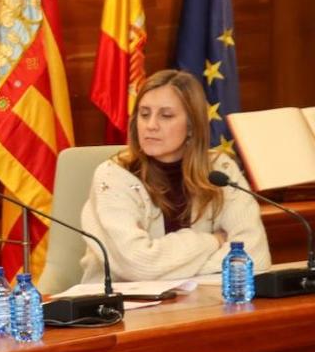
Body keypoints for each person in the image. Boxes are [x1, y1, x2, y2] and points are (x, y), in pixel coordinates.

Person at [80, 69, 271, 282]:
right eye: (144, 114)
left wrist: (174, 268)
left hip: (202, 302)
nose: (151, 125)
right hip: (121, 307)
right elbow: (138, 266)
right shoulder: (113, 176)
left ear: (191, 126)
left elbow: (256, 255)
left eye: (166, 115)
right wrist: (213, 242)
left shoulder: (220, 170)